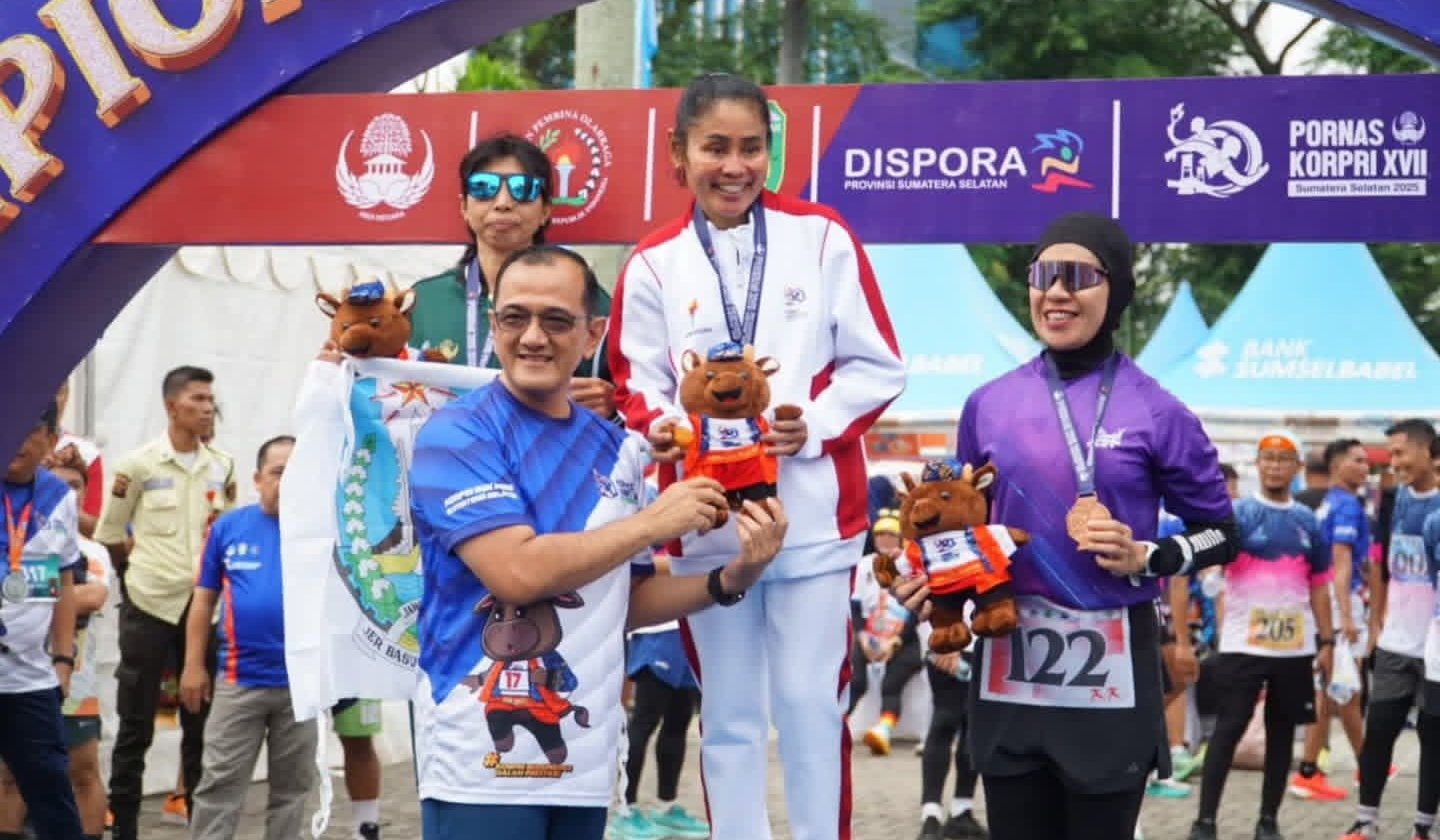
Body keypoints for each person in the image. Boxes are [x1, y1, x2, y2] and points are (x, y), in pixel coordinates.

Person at [407, 245, 804, 840]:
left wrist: (733, 577)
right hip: (481, 762)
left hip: (583, 761)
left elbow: (627, 599)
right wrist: (653, 523)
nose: (533, 337)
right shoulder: (458, 431)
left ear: (593, 334)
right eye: (515, 317)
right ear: (493, 324)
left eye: (555, 320)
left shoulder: (617, 448)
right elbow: (516, 573)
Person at [609, 72, 906, 840]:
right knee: (731, 715)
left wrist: (814, 423)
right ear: (678, 153)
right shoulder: (652, 263)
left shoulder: (822, 237)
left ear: (770, 152)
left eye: (751, 147)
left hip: (813, 522)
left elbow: (879, 365)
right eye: (715, 147)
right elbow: (634, 385)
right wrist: (671, 428)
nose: (734, 166)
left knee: (811, 705)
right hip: (708, 528)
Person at [952, 212, 1236, 840]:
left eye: (1078, 277)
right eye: (1043, 275)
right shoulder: (987, 404)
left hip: (1110, 676)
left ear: (1117, 291)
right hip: (1010, 662)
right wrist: (936, 582)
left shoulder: (1158, 409)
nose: (1056, 292)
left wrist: (1149, 556)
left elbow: (1221, 533)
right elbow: (964, 522)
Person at [97, 366, 236, 840]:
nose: (207, 408)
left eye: (210, 400)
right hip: (149, 604)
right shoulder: (138, 465)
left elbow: (224, 533)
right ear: (171, 405)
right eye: (197, 399)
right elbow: (110, 534)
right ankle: (124, 828)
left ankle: (202, 827)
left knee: (202, 727)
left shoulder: (222, 465)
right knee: (135, 726)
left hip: (202, 607)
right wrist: (132, 578)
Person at [408, 132, 617, 420]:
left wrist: (614, 407)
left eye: (523, 189)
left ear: (546, 210)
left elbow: (635, 397)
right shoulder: (422, 302)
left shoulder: (587, 300)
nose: (503, 202)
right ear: (464, 207)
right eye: (484, 187)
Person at [1187, 431, 1333, 840]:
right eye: (1267, 458)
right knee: (1228, 728)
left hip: (1293, 646)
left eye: (1283, 459)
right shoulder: (1238, 514)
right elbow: (1211, 569)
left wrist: (1327, 641)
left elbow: (1319, 586)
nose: (1274, 466)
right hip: (1242, 644)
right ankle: (1205, 821)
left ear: (1297, 468)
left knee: (1282, 735)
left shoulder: (1308, 521)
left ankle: (1268, 820)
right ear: (1257, 464)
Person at [179, 435, 315, 840]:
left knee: (292, 790)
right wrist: (192, 666)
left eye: (297, 472)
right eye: (278, 472)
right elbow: (203, 601)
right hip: (239, 680)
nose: (287, 481)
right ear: (258, 479)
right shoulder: (229, 528)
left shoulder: (322, 530)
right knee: (219, 785)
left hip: (301, 686)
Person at [0, 447, 113, 840]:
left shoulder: (73, 526)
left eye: (77, 485)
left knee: (61, 777)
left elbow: (77, 591)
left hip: (42, 677)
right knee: (8, 779)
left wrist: (63, 661)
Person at [1340, 419, 1440, 840]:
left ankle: (1423, 827)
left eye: (1400, 453)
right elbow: (1380, 564)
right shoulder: (1391, 500)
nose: (1393, 463)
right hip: (1395, 642)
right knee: (1379, 732)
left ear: (1428, 453)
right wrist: (1376, 623)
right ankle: (1366, 821)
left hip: (1433, 647)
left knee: (1433, 739)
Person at [0, 399, 85, 840]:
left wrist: (63, 659)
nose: (15, 437)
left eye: (28, 428)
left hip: (28, 678)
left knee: (51, 789)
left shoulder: (59, 499)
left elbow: (63, 580)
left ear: (51, 439)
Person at [1292, 438, 1373, 802]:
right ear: (1338, 465)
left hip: (1328, 604)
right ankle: (1367, 766)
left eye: (1366, 461)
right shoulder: (1346, 507)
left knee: (1330, 690)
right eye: (1358, 460)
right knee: (1344, 690)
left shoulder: (1329, 503)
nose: (1365, 467)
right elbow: (1340, 565)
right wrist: (1346, 617)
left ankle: (1312, 770)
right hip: (1341, 607)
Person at [610, 553, 709, 840]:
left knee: (678, 722)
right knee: (644, 721)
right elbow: (643, 560)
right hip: (656, 631)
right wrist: (685, 562)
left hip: (689, 627)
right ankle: (624, 810)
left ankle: (667, 806)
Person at [849, 512, 924, 756]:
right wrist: (862, 637)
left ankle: (883, 730)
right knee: (855, 679)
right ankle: (837, 725)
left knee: (893, 682)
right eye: (880, 534)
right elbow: (855, 605)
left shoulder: (911, 564)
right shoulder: (864, 564)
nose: (884, 539)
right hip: (870, 632)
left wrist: (895, 640)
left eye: (890, 534)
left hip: (904, 635)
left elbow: (915, 609)